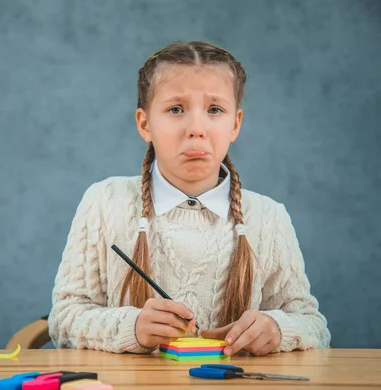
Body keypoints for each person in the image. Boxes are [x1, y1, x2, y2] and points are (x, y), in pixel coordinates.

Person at [47, 40, 331, 356]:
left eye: (214, 110)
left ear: (235, 124)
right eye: (176, 109)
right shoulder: (104, 203)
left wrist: (279, 329)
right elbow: (63, 320)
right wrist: (133, 328)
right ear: (144, 123)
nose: (196, 128)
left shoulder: (269, 217)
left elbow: (314, 326)